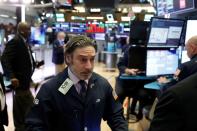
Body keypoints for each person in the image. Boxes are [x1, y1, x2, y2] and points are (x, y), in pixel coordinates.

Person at [26, 35, 128, 131]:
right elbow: (35, 124)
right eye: (83, 60)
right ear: (68, 58)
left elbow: (116, 115)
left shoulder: (102, 85)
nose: (89, 66)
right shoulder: (50, 89)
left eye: (92, 59)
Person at [1, 22, 35, 131]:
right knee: (26, 108)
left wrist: (34, 64)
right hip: (19, 83)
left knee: (23, 108)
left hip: (25, 82)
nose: (30, 31)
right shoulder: (15, 41)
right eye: (28, 29)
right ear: (21, 31)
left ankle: (21, 127)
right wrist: (11, 76)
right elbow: (4, 58)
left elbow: (24, 59)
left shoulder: (24, 42)